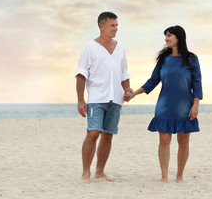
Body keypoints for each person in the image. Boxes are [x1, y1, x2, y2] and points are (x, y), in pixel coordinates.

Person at [125, 25, 203, 183]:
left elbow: (197, 82)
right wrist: (134, 94)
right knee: (164, 140)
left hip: (184, 106)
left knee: (183, 141)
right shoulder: (164, 59)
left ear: (178, 37)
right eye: (165, 36)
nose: (166, 39)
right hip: (164, 105)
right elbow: (153, 81)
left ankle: (179, 175)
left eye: (169, 36)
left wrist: (196, 105)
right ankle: (164, 176)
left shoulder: (192, 58)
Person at [75, 11, 132, 183]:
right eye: (112, 26)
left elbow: (124, 73)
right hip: (96, 99)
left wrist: (127, 89)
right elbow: (81, 75)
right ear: (101, 26)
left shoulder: (120, 48)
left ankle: (100, 171)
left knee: (108, 135)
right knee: (93, 133)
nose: (116, 29)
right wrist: (80, 100)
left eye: (117, 26)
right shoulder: (89, 48)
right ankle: (86, 171)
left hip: (116, 99)